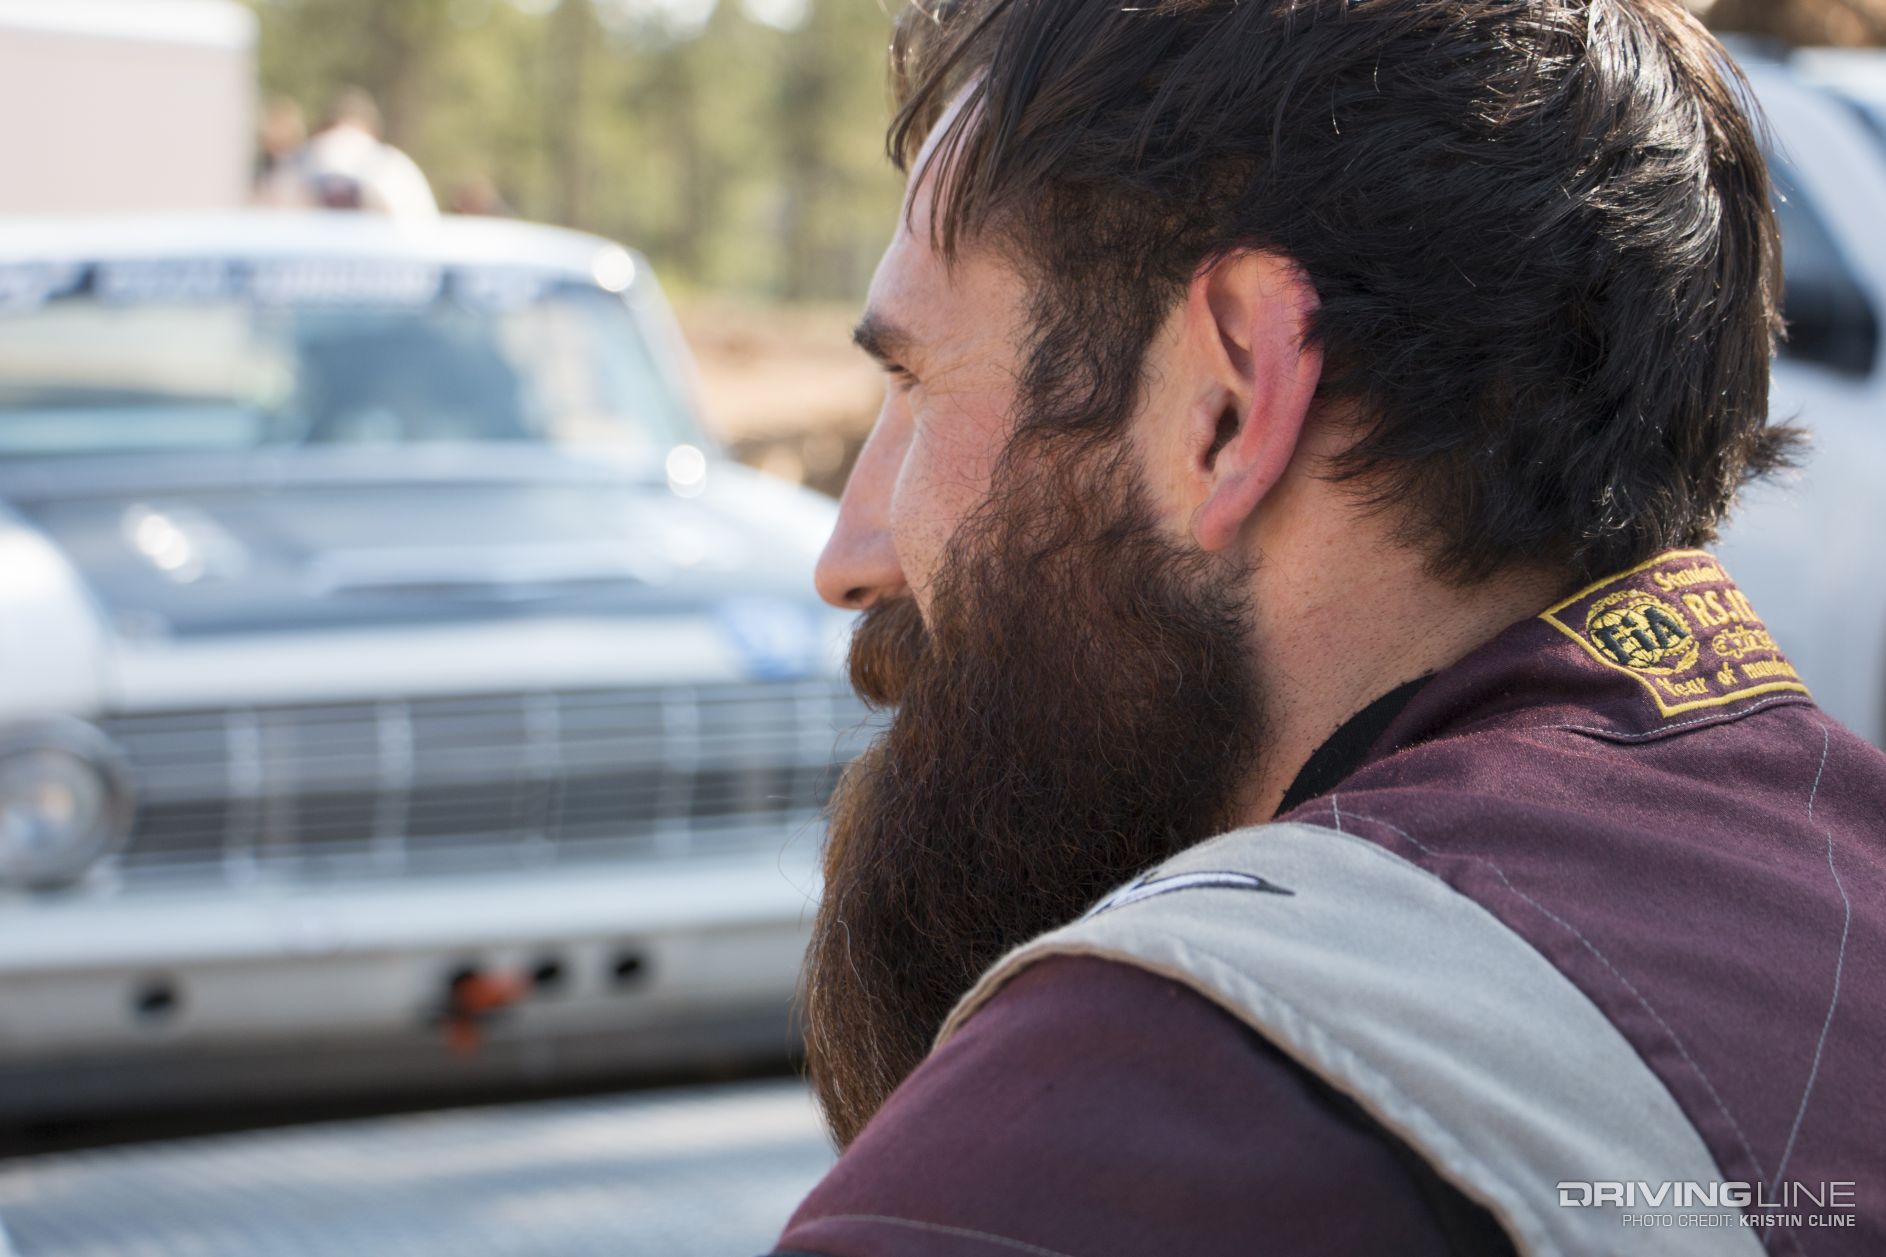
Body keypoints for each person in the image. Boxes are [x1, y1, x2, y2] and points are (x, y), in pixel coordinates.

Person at [769, 1, 1886, 1254]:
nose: (846, 557)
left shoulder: (1097, 1143)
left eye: (917, 383)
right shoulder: (1835, 897)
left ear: (1229, 402)